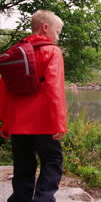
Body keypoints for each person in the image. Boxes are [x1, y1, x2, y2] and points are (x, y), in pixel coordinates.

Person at [0, 10, 67, 202]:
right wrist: (59, 123)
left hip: (18, 123)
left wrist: (5, 122)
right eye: (58, 31)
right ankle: (43, 199)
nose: (58, 36)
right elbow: (55, 90)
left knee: (23, 165)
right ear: (45, 28)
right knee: (52, 161)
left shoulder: (15, 52)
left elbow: (4, 90)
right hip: (44, 122)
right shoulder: (52, 51)